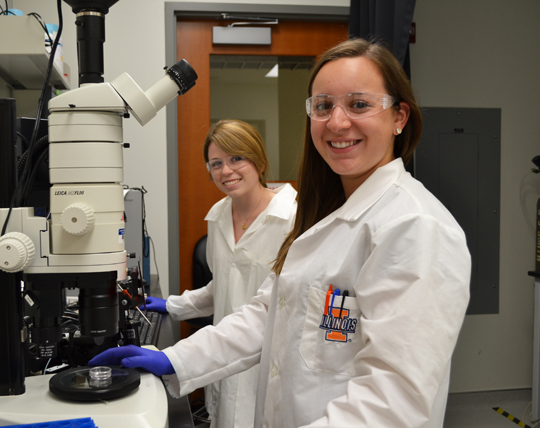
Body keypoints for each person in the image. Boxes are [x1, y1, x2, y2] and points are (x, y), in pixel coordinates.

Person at [90, 39, 471, 428]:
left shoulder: (415, 228)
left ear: (399, 117)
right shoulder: (322, 217)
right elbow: (268, 312)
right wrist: (177, 358)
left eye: (359, 104)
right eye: (323, 106)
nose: (337, 123)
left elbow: (391, 405)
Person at [141, 119, 297, 428]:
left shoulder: (293, 218)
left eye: (237, 158)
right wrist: (171, 305)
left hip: (269, 365)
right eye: (216, 163)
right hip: (222, 360)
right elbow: (223, 286)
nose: (226, 171)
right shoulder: (218, 217)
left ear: (260, 161)